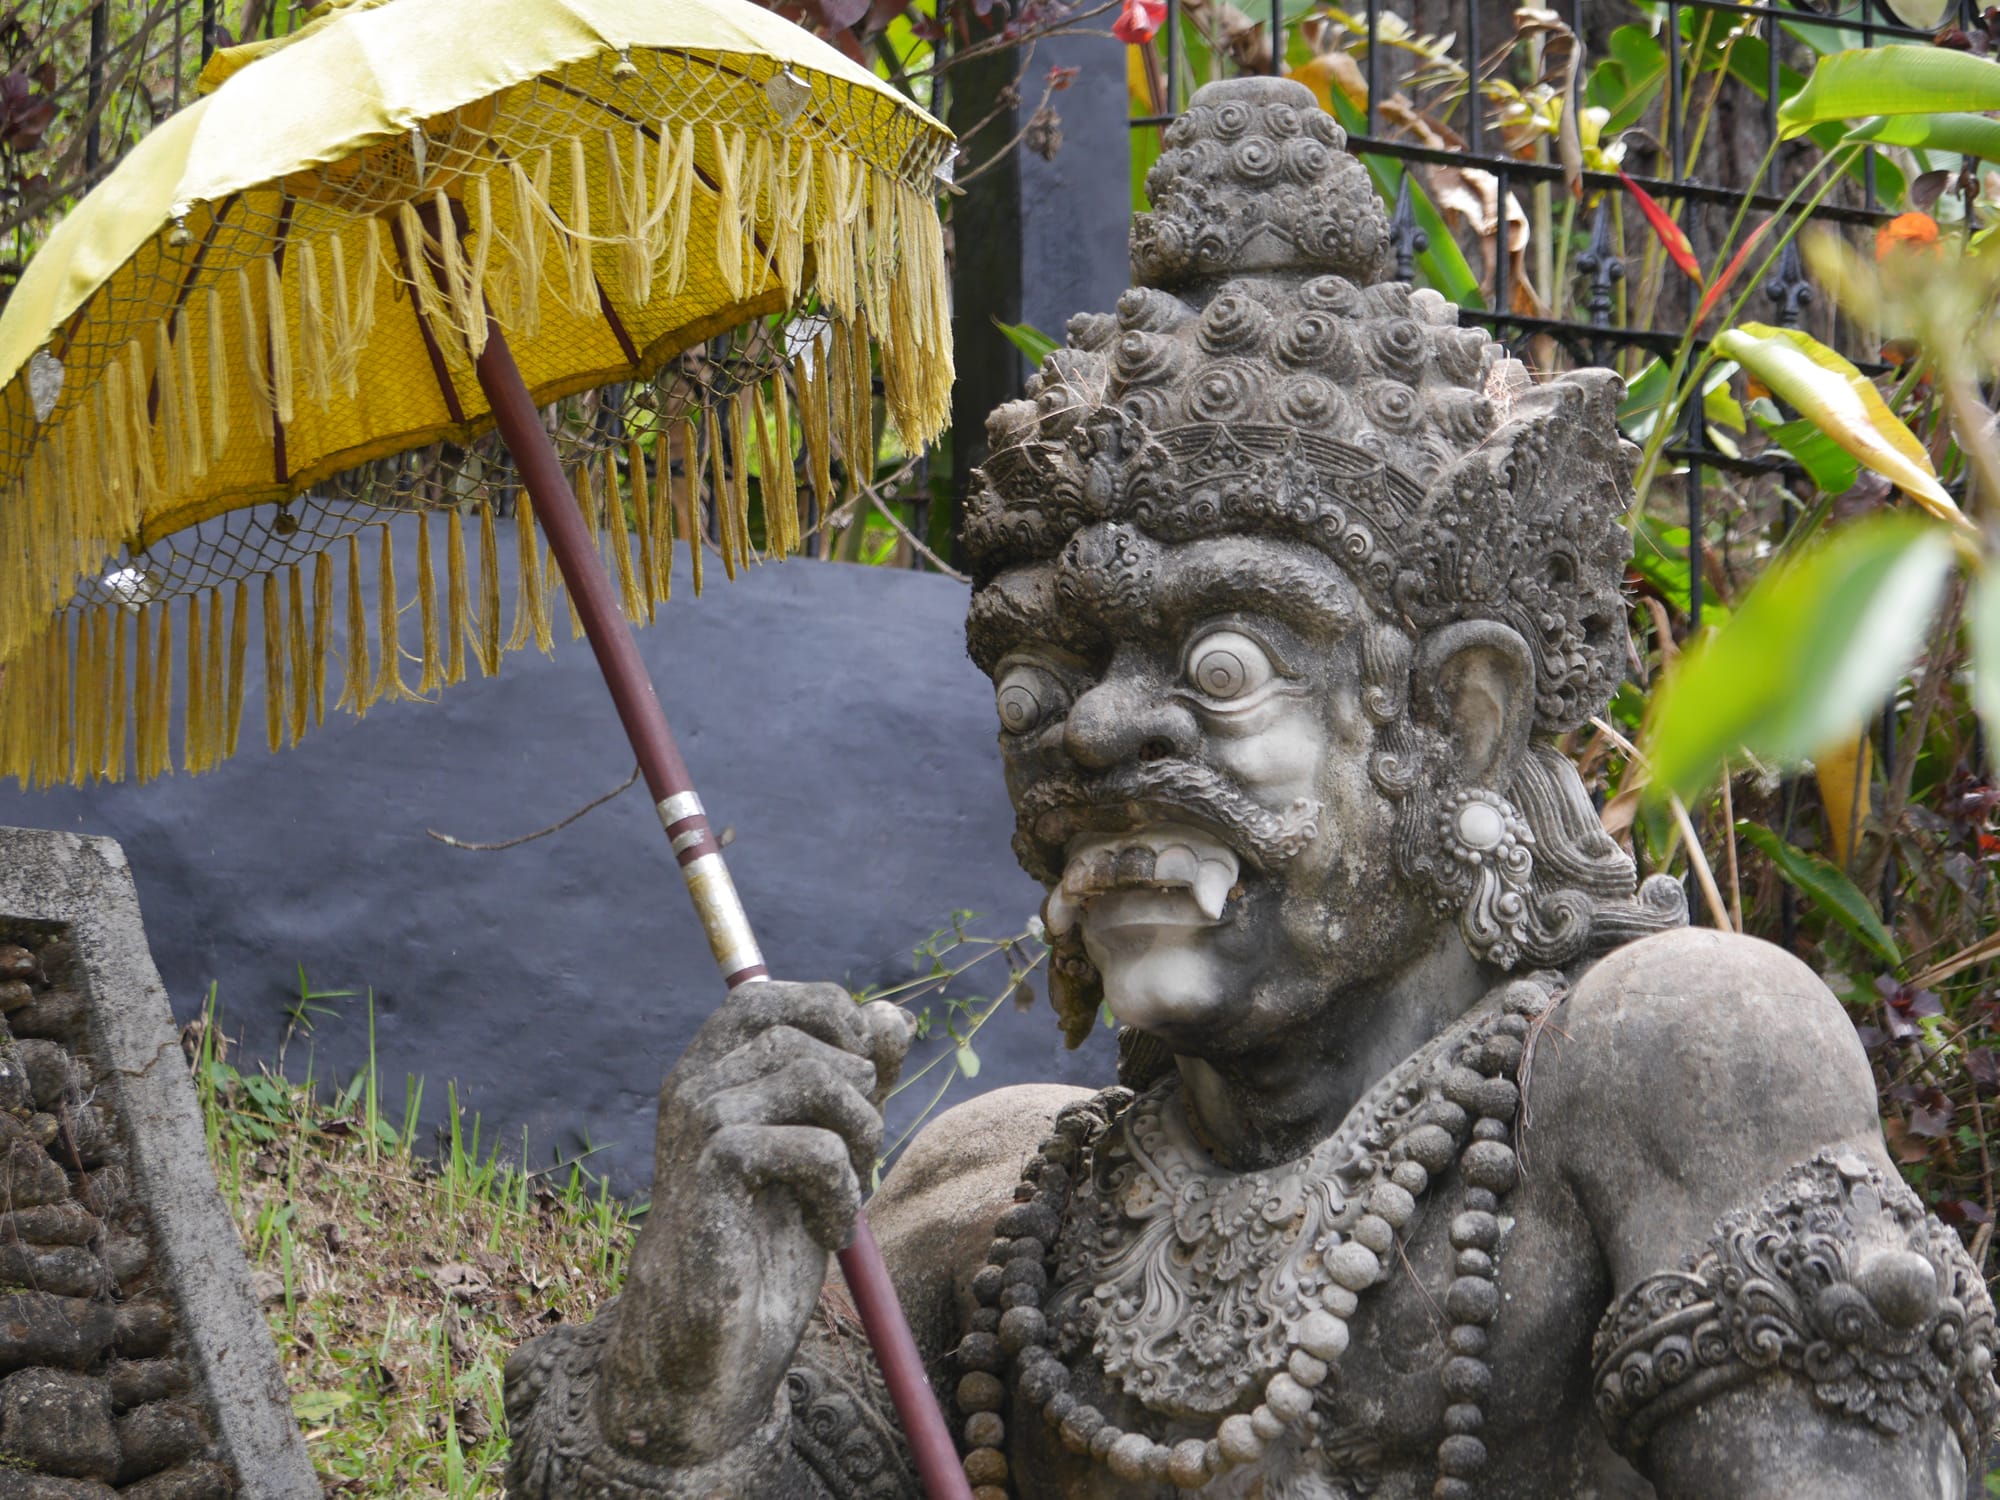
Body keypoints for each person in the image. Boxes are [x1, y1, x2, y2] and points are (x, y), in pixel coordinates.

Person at [504, 76, 1999, 1500]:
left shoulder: (1673, 1060)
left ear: (1460, 716)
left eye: (1222, 668)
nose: (1091, 735)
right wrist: (683, 1393)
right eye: (1039, 681)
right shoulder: (994, 1216)